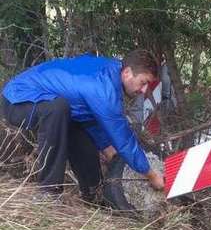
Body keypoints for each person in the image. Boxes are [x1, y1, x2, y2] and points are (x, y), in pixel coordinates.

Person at [0, 49, 164, 203]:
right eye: (143, 82)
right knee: (58, 108)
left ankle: (93, 193)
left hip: (49, 103)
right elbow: (124, 139)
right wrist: (150, 174)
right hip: (18, 100)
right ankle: (48, 192)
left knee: (73, 119)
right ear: (127, 73)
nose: (143, 90)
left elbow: (89, 115)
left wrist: (107, 147)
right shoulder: (103, 89)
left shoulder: (113, 71)